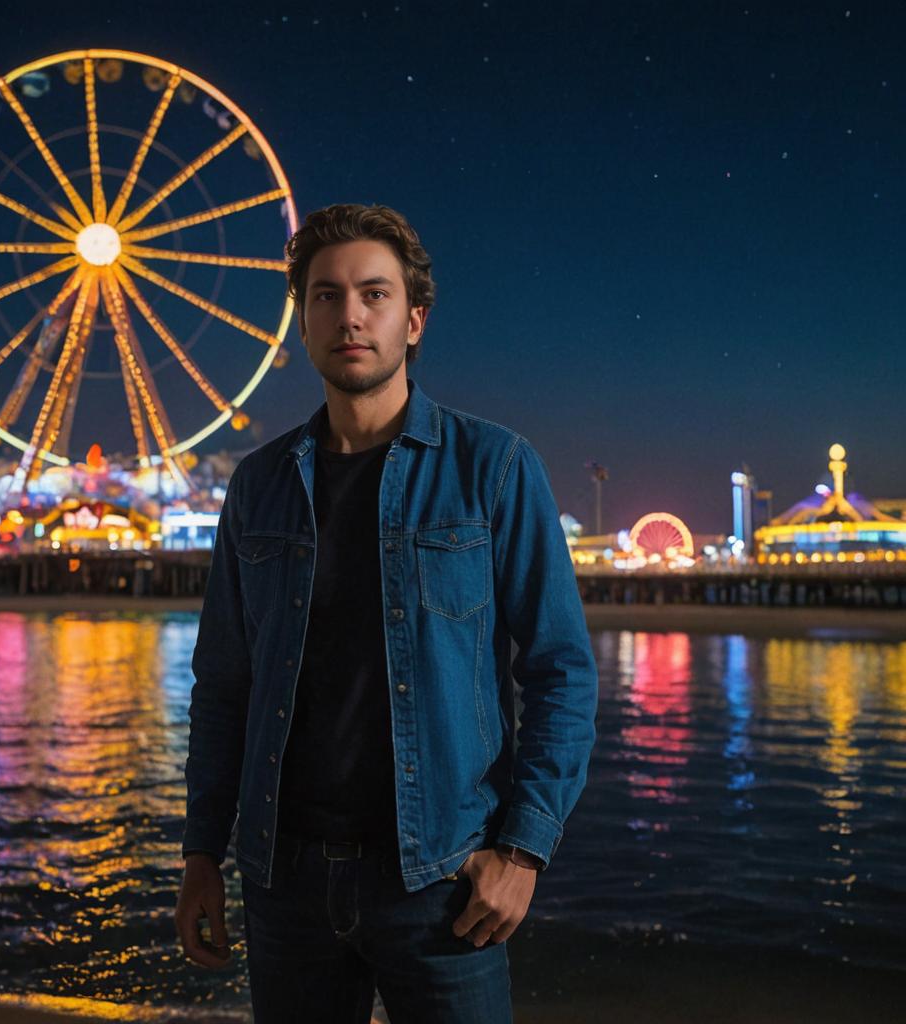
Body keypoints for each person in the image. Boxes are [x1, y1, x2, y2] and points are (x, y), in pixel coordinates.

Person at [175, 203, 598, 1023]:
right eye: (327, 297)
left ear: (415, 321)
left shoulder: (494, 467)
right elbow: (223, 685)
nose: (351, 315)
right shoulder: (257, 485)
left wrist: (521, 850)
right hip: (284, 880)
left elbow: (562, 671)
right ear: (303, 323)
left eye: (375, 294)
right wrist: (201, 854)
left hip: (441, 882)